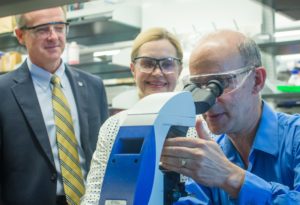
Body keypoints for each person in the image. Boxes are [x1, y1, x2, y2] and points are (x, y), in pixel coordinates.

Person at [160, 29, 300, 204]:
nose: (207, 101)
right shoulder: (212, 154)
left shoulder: (295, 139)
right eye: (197, 87)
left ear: (257, 80)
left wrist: (231, 177)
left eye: (219, 84)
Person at [0, 7, 109, 205]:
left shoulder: (93, 86)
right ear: (20, 35)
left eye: (59, 27)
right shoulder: (3, 91)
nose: (53, 37)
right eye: (42, 29)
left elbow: (104, 154)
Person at [81, 27, 188, 204]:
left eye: (167, 63)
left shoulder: (199, 129)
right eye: (147, 63)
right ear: (133, 69)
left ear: (179, 69)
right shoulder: (114, 126)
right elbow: (94, 194)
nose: (157, 72)